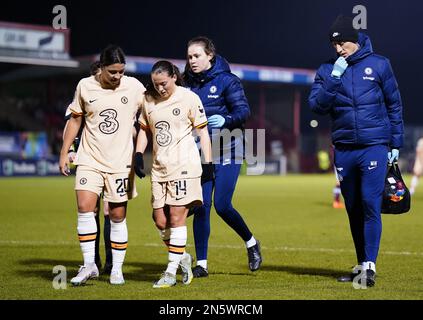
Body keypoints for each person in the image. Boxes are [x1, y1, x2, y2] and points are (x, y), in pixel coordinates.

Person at [309, 15, 404, 287]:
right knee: (352, 208)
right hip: (344, 148)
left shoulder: (380, 64)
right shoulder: (327, 70)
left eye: (342, 42)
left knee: (369, 202)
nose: (338, 48)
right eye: (334, 44)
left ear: (355, 39)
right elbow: (317, 106)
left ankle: (369, 267)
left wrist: (395, 143)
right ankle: (362, 264)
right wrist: (334, 79)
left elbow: (394, 105)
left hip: (374, 146)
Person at [59, 45, 145, 285]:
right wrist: (64, 153)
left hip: (120, 163)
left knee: (117, 215)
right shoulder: (85, 86)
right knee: (85, 208)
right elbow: (75, 120)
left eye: (121, 71)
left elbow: (150, 114)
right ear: (102, 68)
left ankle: (116, 268)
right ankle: (89, 265)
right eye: (112, 72)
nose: (117, 76)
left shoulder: (135, 87)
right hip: (90, 159)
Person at [183, 36, 262, 277]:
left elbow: (244, 111)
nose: (192, 60)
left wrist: (226, 120)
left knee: (222, 205)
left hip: (229, 149)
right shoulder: (186, 84)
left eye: (197, 56)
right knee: (201, 207)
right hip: (203, 153)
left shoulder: (228, 81)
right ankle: (202, 264)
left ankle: (251, 243)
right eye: (189, 57)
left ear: (210, 56)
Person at [134, 60, 213, 288]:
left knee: (177, 217)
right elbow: (144, 130)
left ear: (174, 77)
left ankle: (170, 272)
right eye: (156, 84)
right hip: (160, 169)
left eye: (163, 83)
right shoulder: (148, 100)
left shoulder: (189, 98)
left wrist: (207, 163)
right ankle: (183, 258)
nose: (160, 88)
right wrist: (139, 154)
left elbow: (203, 133)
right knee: (159, 219)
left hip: (184, 166)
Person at [63, 61, 113, 275]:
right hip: (89, 158)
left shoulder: (117, 95)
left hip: (113, 160)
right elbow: (73, 124)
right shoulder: (84, 94)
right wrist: (71, 149)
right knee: (90, 209)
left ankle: (112, 262)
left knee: (109, 210)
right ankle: (94, 261)